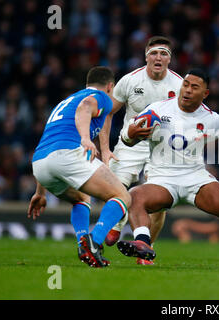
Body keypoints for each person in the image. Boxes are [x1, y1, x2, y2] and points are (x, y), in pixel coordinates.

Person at [116, 68, 219, 270]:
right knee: (135, 197)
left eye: (194, 87)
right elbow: (128, 139)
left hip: (196, 178)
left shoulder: (212, 119)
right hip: (162, 179)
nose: (188, 90)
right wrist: (129, 134)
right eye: (185, 85)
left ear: (205, 93)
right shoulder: (158, 109)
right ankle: (142, 243)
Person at [27, 66, 132, 268]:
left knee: (81, 197)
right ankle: (95, 241)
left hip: (40, 163)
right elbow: (85, 107)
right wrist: (85, 138)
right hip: (68, 154)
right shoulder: (99, 96)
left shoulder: (65, 102)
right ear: (111, 86)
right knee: (122, 196)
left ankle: (83, 244)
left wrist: (40, 192)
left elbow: (50, 142)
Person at [99, 36, 183, 265]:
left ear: (169, 59)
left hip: (163, 148)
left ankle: (146, 249)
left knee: (159, 203)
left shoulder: (179, 85)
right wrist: (105, 150)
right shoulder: (129, 80)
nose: (158, 57)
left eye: (164, 53)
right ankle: (115, 226)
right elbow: (107, 112)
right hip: (130, 144)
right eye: (154, 53)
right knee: (115, 188)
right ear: (146, 57)